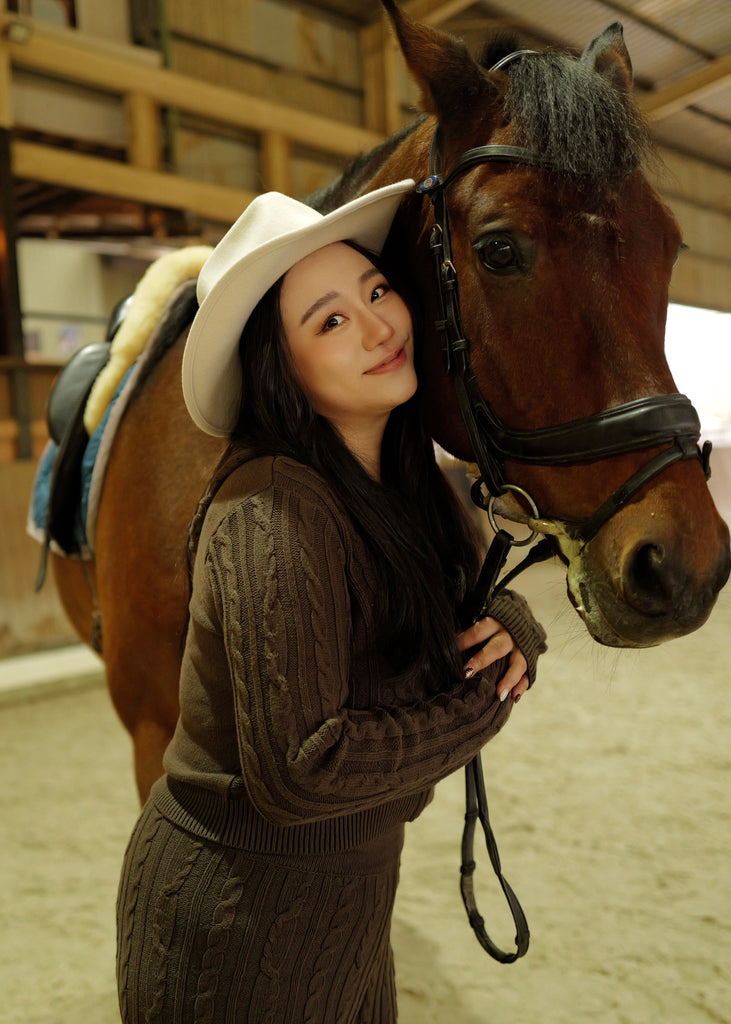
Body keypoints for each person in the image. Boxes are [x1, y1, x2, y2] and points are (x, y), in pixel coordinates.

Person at [116, 179, 547, 1023]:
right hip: (235, 924)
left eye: (375, 291)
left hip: (342, 907)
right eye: (330, 320)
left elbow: (474, 610)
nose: (379, 325)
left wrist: (515, 626)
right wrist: (485, 698)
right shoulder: (269, 515)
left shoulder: (410, 486)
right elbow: (306, 770)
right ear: (284, 365)